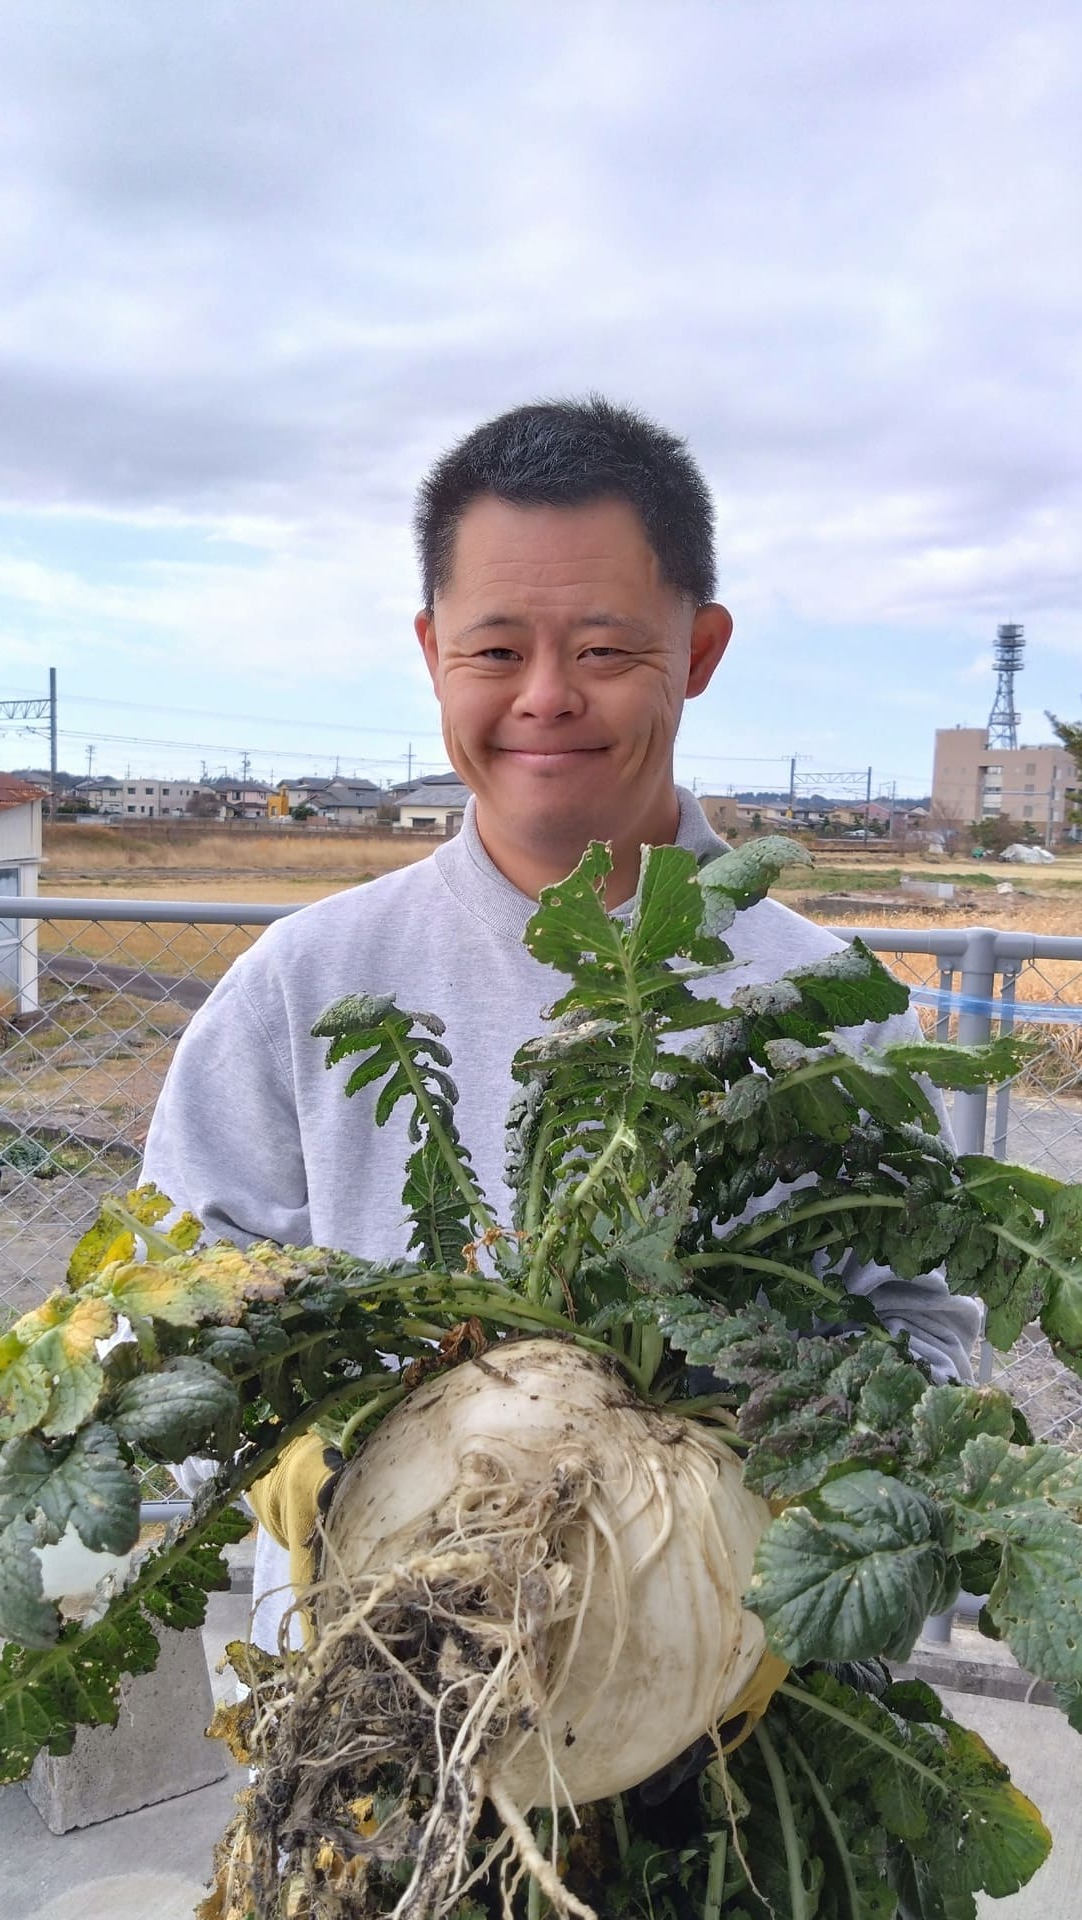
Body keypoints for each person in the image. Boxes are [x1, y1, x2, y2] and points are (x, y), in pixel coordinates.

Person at [145, 396, 980, 1652]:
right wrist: (304, 1447)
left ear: (696, 653)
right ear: (432, 650)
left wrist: (743, 1489)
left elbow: (922, 1342)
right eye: (493, 651)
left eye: (603, 651)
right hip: (369, 1685)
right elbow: (174, 1312)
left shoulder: (834, 1008)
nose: (544, 698)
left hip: (720, 1704)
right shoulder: (300, 982)